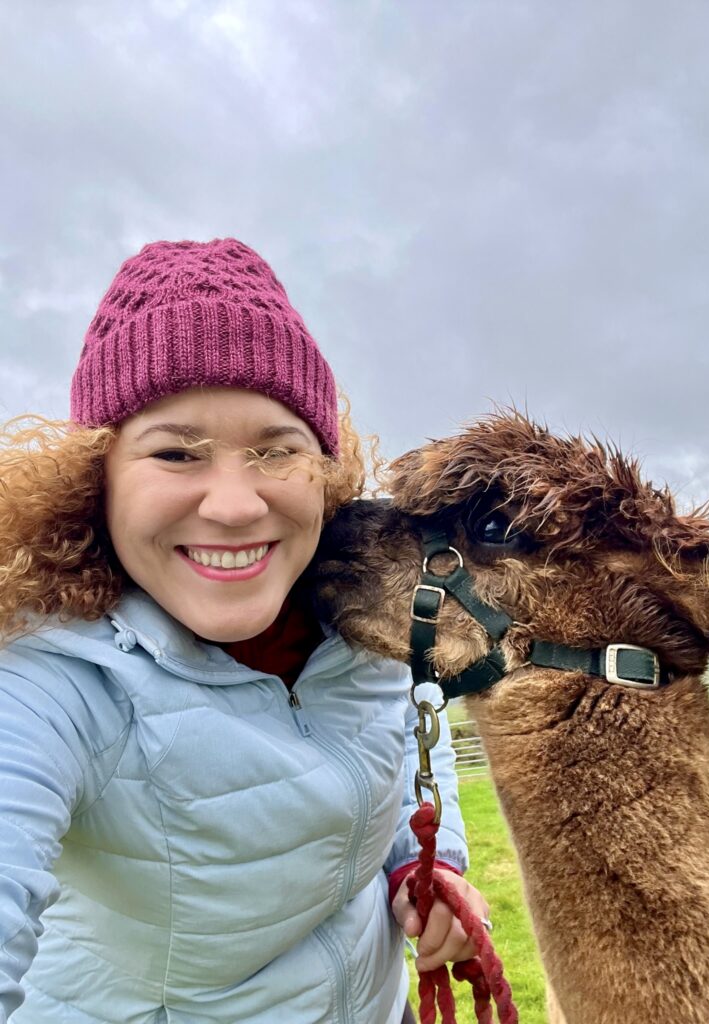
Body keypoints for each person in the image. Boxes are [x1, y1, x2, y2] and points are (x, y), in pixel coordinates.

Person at [0, 238, 487, 1023]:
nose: (233, 505)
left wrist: (425, 864)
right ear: (97, 477)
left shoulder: (356, 616)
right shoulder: (48, 680)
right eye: (176, 452)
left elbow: (405, 731)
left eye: (275, 451)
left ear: (322, 468)